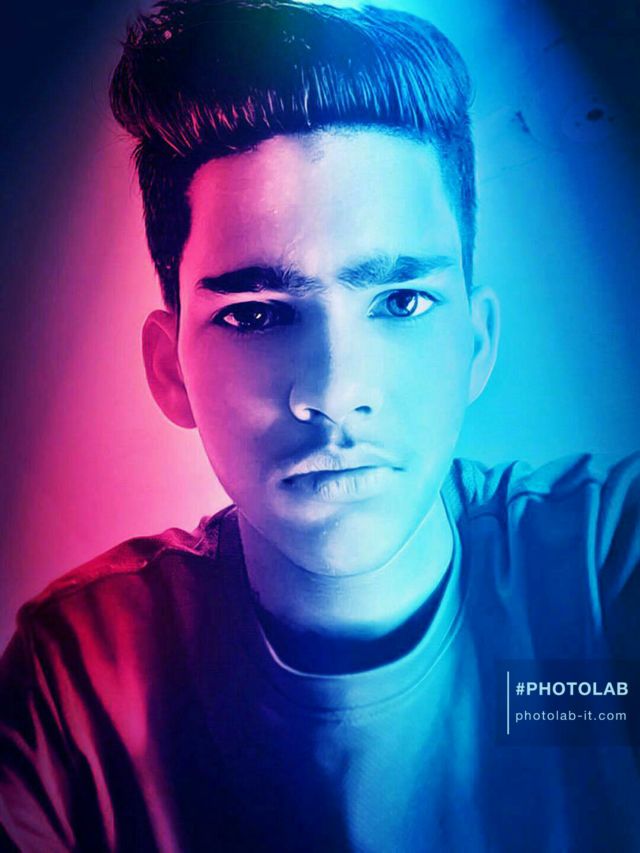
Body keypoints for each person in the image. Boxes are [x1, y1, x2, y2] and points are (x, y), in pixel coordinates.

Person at [1, 0, 639, 850]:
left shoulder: (610, 563)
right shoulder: (82, 680)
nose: (335, 391)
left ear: (476, 344)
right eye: (257, 314)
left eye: (401, 301)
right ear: (170, 369)